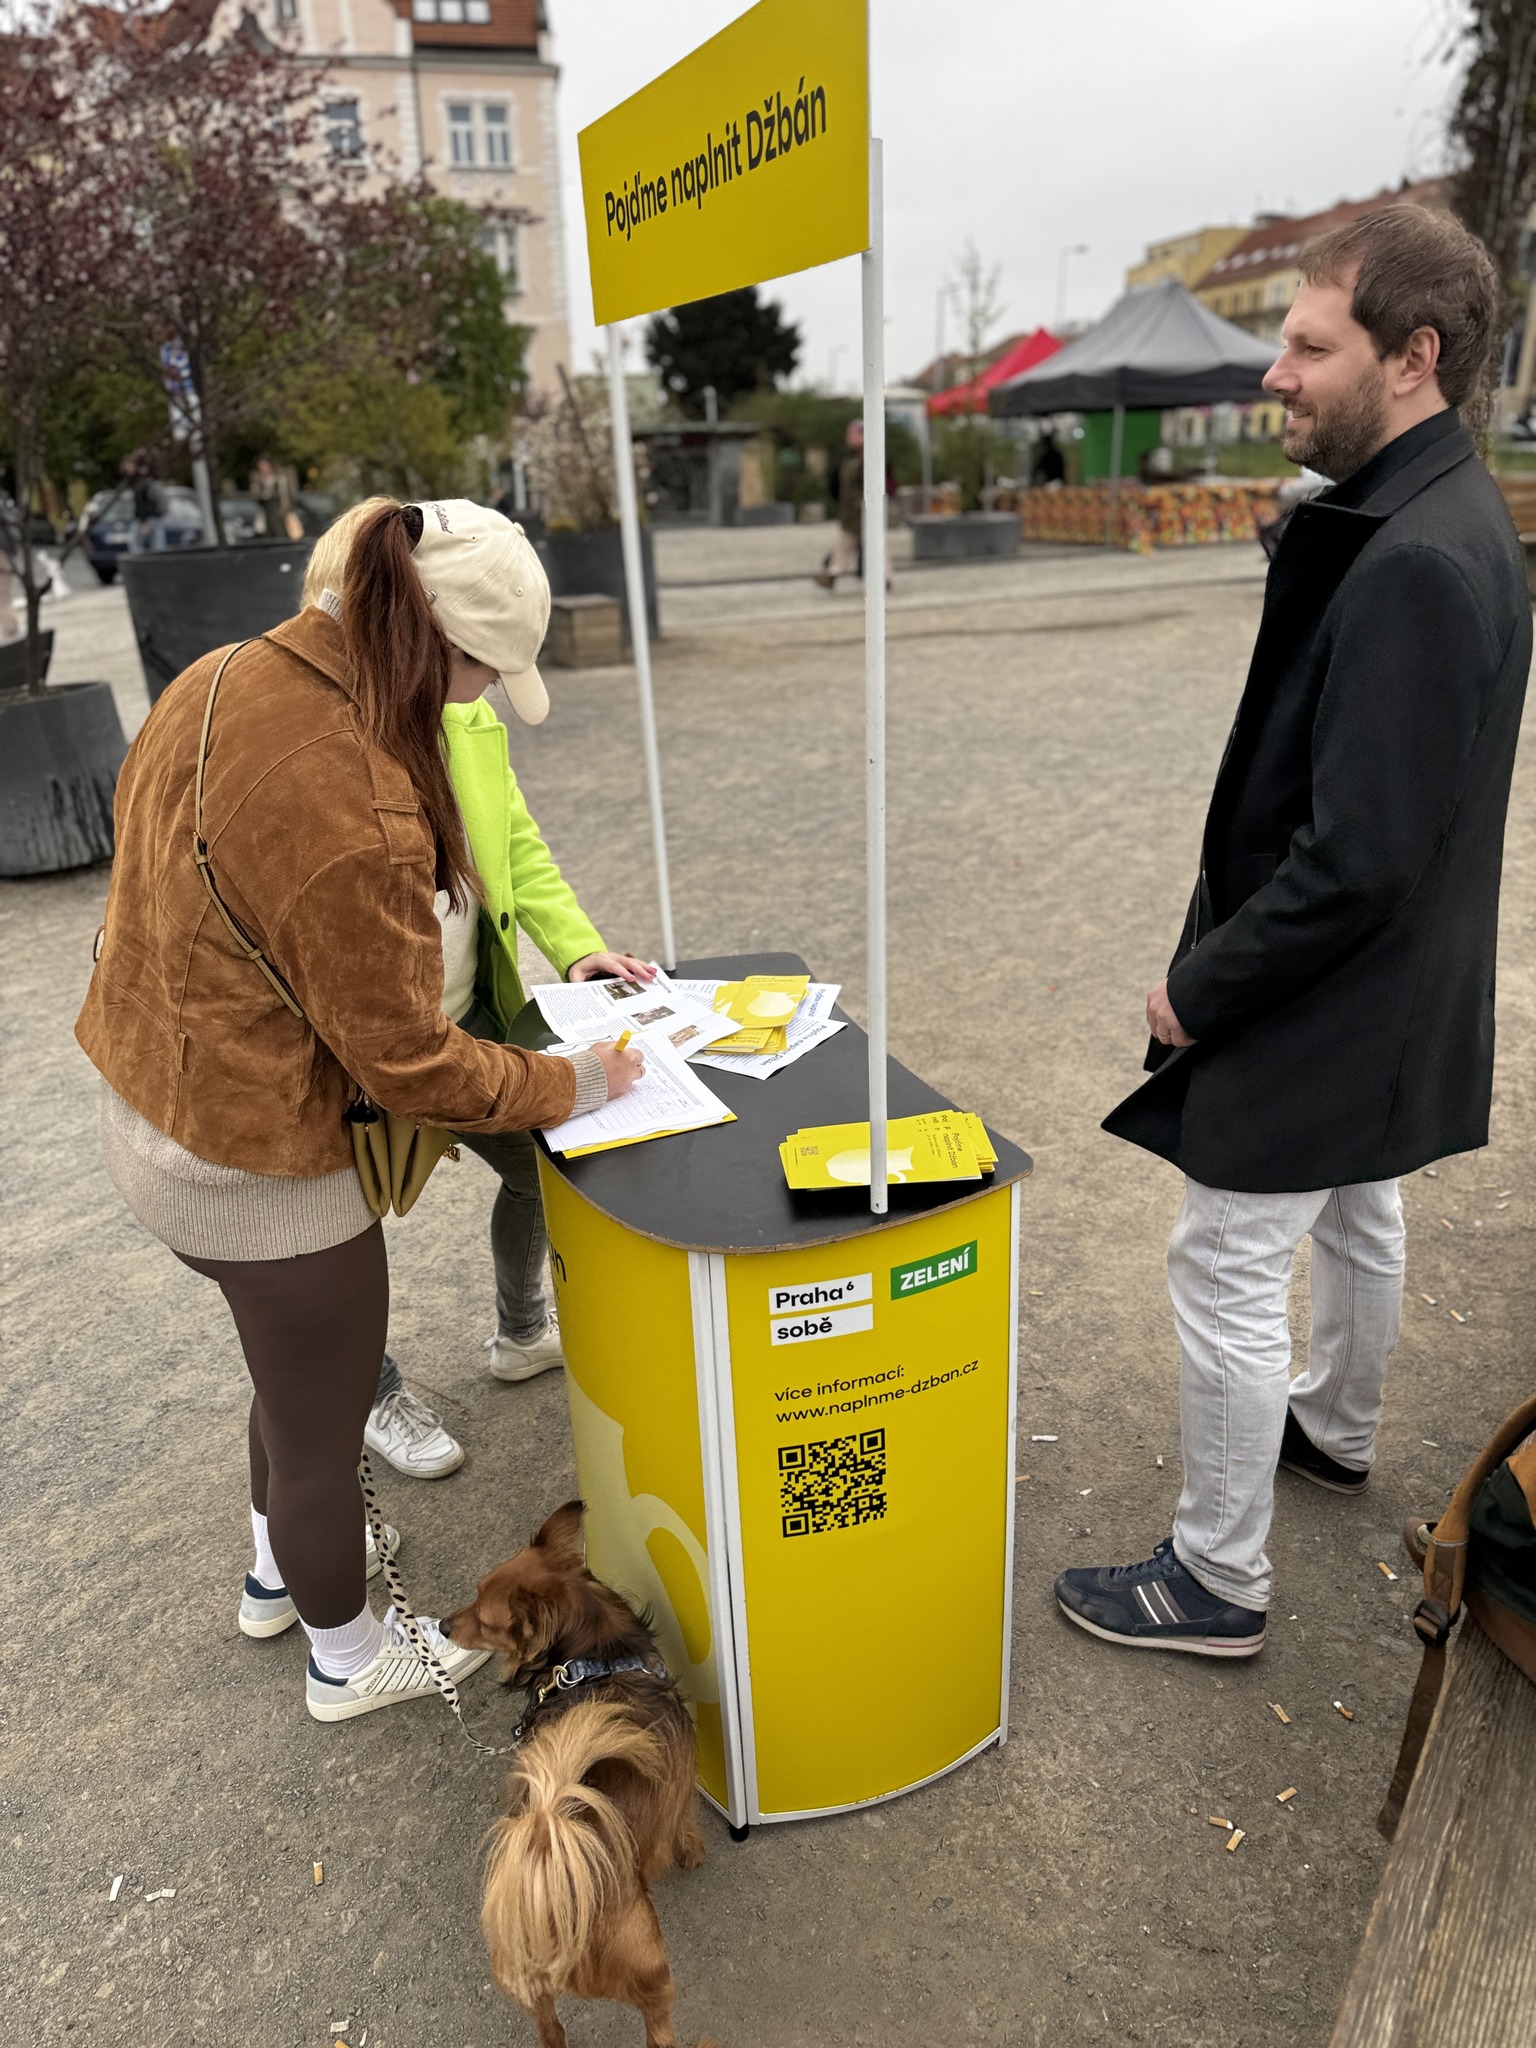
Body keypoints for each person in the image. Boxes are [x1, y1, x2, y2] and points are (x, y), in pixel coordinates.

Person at [77, 498, 644, 1721]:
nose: (484, 700)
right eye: (487, 671)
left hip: (158, 1109)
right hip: (259, 1160)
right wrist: (580, 1078)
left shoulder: (223, 669)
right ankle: (348, 1653)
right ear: (438, 642)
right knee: (327, 1420)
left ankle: (275, 1573)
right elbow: (410, 1065)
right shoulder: (357, 796)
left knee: (292, 1384)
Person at [1054, 205, 1530, 1658]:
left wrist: (1199, 991)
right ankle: (1331, 1428)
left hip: (1335, 989)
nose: (1278, 372)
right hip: (1385, 990)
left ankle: (1214, 1577)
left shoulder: (1418, 559)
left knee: (1226, 1255)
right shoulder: (1440, 515)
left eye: (1310, 344)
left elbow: (1359, 858)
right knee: (1361, 1207)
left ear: (1414, 358)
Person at [295, 501, 656, 1482]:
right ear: (419, 627)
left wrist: (577, 949)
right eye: (484, 661)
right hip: (363, 1054)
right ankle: (370, 1390)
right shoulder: (324, 744)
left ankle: (519, 1328)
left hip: (468, 1022)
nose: (491, 687)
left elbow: (518, 848)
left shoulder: (465, 711)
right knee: (340, 1238)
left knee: (543, 1171)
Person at [126, 453, 167, 552]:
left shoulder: (141, 482)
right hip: (152, 518)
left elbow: (144, 503)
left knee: (136, 546)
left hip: (145, 519)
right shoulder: (145, 479)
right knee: (157, 545)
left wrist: (144, 521)